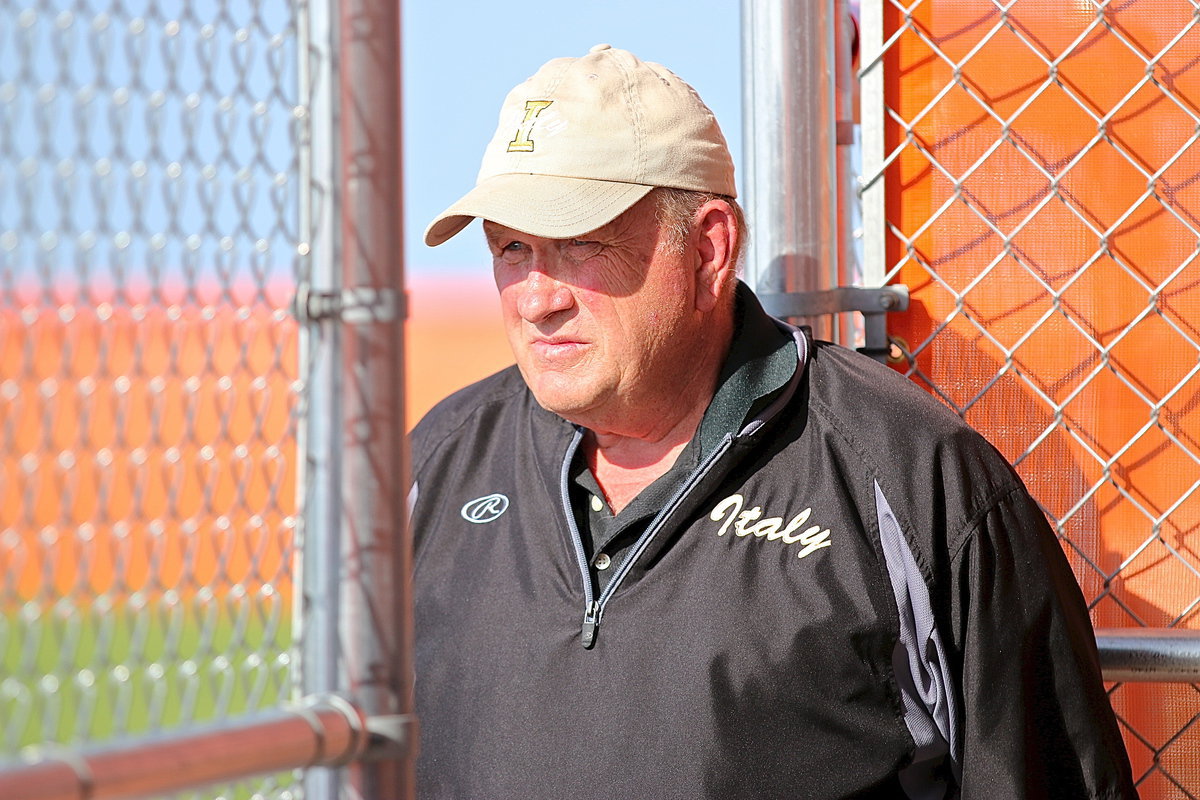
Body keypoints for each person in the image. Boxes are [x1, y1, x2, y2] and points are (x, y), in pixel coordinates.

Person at [410, 44, 1137, 799]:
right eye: (512, 248)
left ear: (708, 248)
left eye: (581, 246)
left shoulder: (912, 479)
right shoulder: (437, 464)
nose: (536, 300)